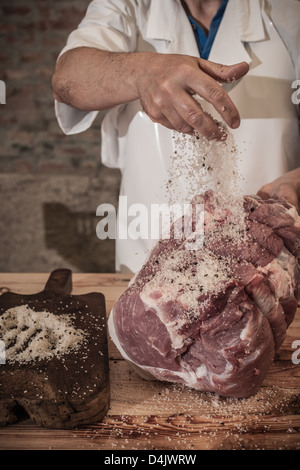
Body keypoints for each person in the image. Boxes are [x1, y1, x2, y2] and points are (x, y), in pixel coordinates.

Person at [52, 0, 300, 273]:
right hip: (147, 268)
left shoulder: (288, 9)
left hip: (265, 270)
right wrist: (143, 72)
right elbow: (67, 79)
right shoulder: (128, 5)